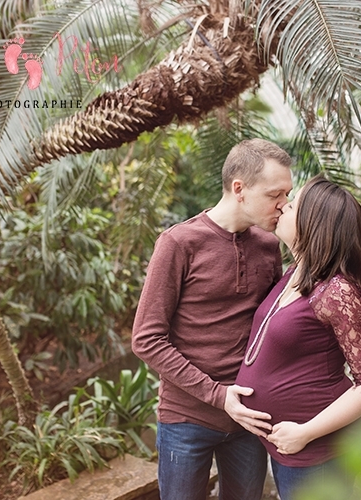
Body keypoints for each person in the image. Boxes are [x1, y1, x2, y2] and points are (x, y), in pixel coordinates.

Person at [131, 138, 293, 500]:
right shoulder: (179, 243)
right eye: (275, 195)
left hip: (250, 419)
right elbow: (146, 338)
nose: (284, 205)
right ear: (239, 189)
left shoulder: (269, 245)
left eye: (288, 194)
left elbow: (272, 326)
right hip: (186, 420)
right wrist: (219, 396)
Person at [234, 175, 361, 500]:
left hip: (315, 450)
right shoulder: (293, 275)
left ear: (313, 224)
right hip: (288, 446)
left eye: (292, 205)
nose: (283, 206)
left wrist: (305, 432)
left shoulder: (336, 290)